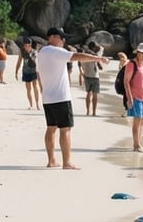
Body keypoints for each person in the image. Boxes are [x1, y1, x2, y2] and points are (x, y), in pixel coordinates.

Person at [35, 27, 107, 169]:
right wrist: (98, 58)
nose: (64, 40)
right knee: (65, 129)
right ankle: (67, 162)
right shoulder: (55, 51)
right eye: (62, 38)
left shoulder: (41, 53)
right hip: (60, 97)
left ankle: (51, 160)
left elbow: (39, 75)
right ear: (53, 37)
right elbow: (76, 56)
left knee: (51, 128)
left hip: (47, 97)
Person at [124, 42, 143, 151]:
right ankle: (136, 145)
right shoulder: (132, 64)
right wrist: (129, 97)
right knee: (137, 120)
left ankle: (138, 143)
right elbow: (126, 82)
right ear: (138, 53)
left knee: (142, 122)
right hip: (135, 97)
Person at [79, 42, 103, 116]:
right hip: (95, 76)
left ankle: (88, 111)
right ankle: (94, 112)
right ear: (93, 47)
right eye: (96, 47)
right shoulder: (94, 55)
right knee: (95, 95)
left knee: (88, 93)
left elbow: (79, 65)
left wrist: (81, 75)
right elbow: (100, 67)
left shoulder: (84, 54)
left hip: (86, 75)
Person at [15, 40, 40, 109]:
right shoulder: (22, 52)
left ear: (30, 45)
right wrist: (16, 71)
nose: (27, 47)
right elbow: (19, 62)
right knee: (28, 89)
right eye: (25, 46)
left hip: (34, 71)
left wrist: (39, 72)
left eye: (28, 46)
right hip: (26, 72)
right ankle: (31, 105)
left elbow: (38, 63)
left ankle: (37, 104)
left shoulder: (34, 52)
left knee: (35, 87)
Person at [115, 51, 130, 116]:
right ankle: (127, 111)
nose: (121, 59)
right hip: (123, 82)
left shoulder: (128, 64)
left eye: (122, 57)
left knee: (126, 97)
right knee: (126, 97)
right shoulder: (122, 64)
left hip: (127, 82)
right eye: (120, 57)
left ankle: (127, 111)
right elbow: (119, 73)